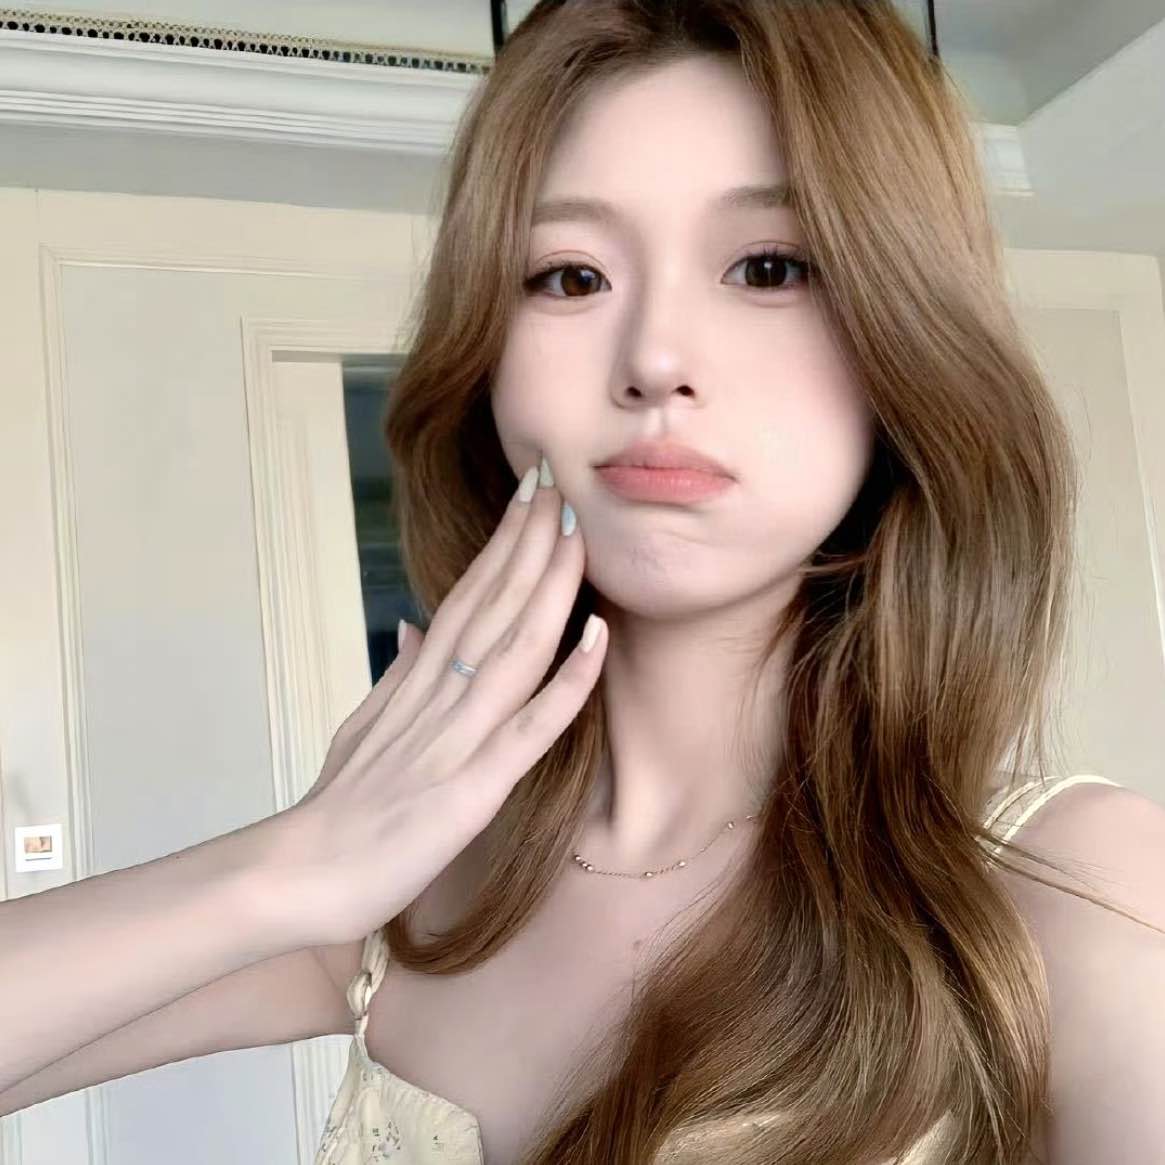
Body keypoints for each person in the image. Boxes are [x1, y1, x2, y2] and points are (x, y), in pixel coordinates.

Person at [2, 1, 1163, 1162]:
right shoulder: (413, 889)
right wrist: (287, 864)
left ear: (903, 337)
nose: (654, 358)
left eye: (768, 266)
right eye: (568, 277)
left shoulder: (1076, 894)